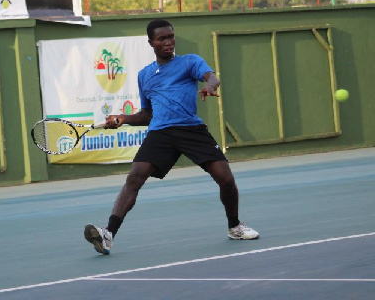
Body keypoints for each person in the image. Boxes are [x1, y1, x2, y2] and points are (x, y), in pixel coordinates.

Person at [84, 19, 259, 255]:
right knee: (134, 177)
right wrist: (124, 119)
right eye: (161, 39)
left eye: (171, 37)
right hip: (160, 132)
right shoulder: (144, 75)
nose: (168, 42)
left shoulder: (190, 62)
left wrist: (210, 86)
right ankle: (108, 234)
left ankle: (234, 226)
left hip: (190, 129)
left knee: (225, 178)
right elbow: (147, 114)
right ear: (151, 43)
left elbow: (212, 77)